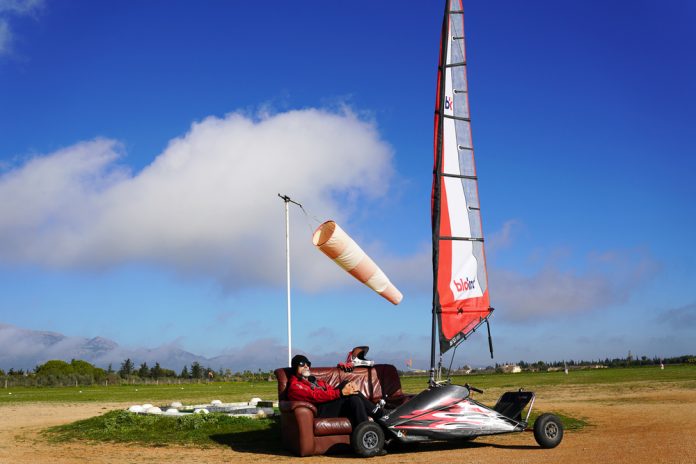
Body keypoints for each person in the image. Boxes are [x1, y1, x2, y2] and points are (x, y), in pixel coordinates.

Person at [287, 354, 382, 428]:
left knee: (354, 397)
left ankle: (368, 435)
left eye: (308, 364)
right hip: (320, 410)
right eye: (302, 364)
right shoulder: (295, 386)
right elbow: (315, 396)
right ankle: (378, 412)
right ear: (295, 367)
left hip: (329, 405)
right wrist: (340, 393)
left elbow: (329, 389)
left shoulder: (313, 380)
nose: (306, 366)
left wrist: (346, 389)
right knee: (349, 391)